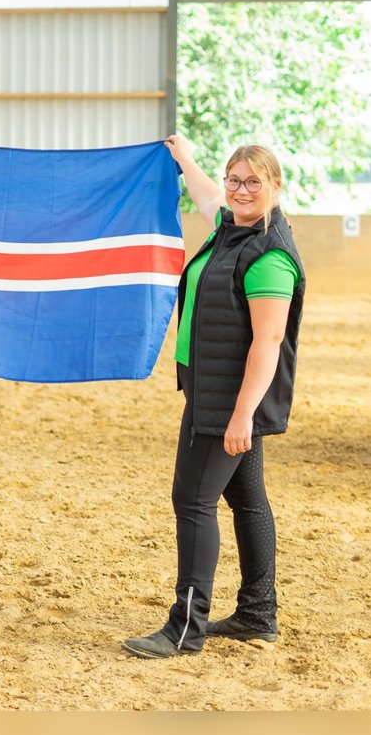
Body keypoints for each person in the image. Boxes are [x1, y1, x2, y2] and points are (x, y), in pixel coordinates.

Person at [122, 136, 305, 659]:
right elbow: (207, 198)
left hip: (227, 400)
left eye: (253, 181)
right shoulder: (231, 228)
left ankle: (185, 630)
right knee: (246, 500)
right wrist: (184, 158)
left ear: (275, 186)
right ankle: (256, 613)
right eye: (234, 180)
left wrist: (242, 415)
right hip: (211, 389)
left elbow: (268, 344)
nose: (241, 190)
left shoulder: (270, 256)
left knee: (193, 500)